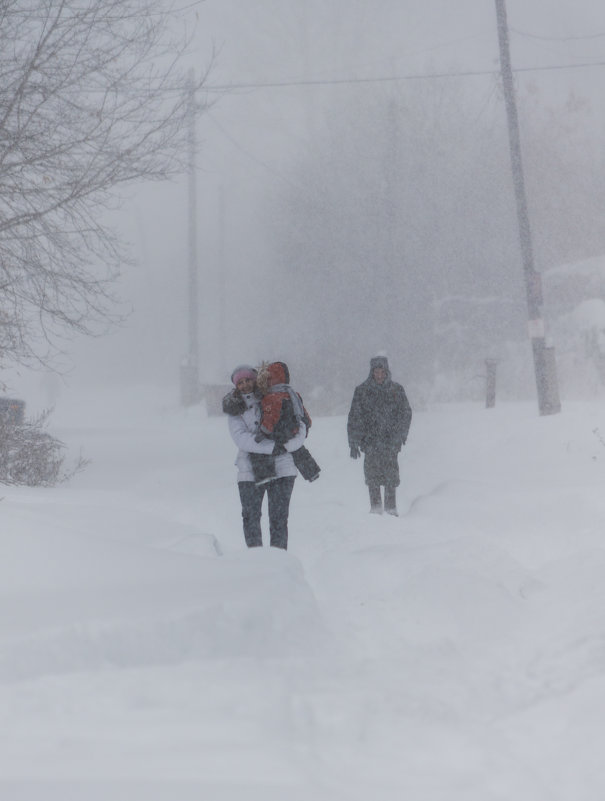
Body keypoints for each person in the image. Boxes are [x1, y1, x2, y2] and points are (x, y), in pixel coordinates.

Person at [223, 363, 306, 550]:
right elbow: (241, 439)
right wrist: (271, 448)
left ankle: (278, 563)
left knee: (279, 519)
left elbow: (300, 426)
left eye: (248, 380)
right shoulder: (235, 409)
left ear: (256, 380)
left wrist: (285, 446)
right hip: (249, 469)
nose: (245, 385)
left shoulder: (275, 397)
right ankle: (257, 564)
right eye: (240, 382)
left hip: (283, 466)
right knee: (251, 518)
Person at [347, 355, 412, 516]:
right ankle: (375, 510)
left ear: (387, 371)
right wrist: (353, 442)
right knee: (372, 477)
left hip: (390, 442)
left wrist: (400, 435)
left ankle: (391, 510)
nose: (379, 375)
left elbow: (406, 414)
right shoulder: (362, 391)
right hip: (371, 443)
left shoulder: (396, 390)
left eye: (382, 371)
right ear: (372, 372)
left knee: (391, 477)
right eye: (376, 371)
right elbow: (355, 417)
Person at [254, 361, 320, 484]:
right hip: (292, 429)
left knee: (262, 450)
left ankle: (265, 475)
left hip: (277, 431)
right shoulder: (293, 394)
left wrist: (263, 431)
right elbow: (304, 415)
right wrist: (305, 427)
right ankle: (311, 471)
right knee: (298, 450)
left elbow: (270, 417)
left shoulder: (271, 397)